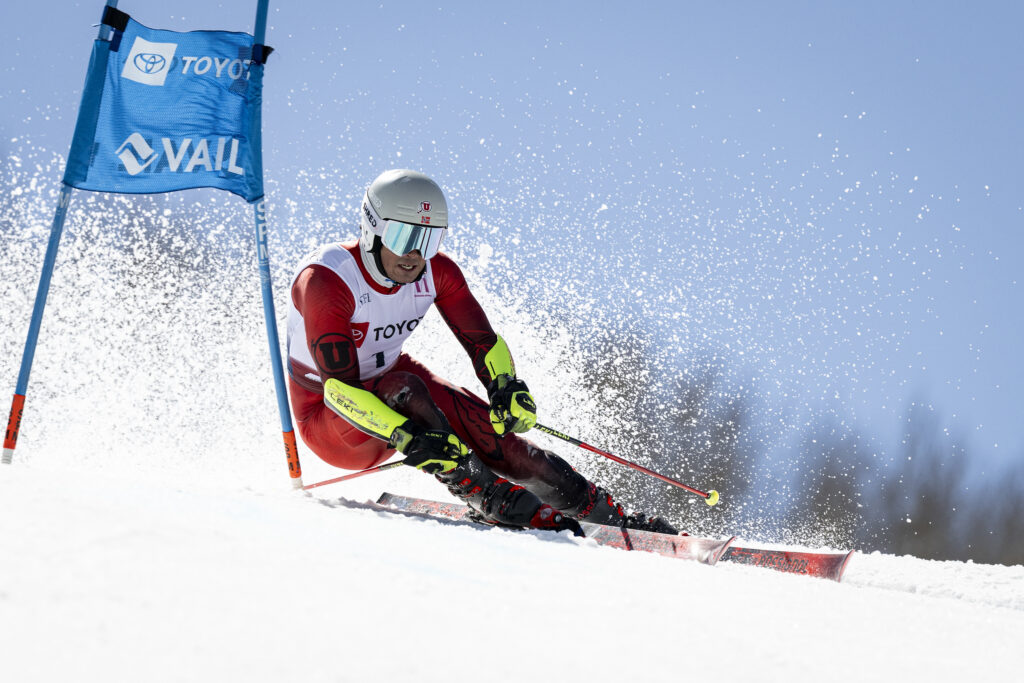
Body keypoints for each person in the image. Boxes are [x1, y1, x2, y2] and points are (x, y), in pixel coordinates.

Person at [286, 169, 678, 535]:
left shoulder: (437, 272)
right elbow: (338, 391)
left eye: (429, 240)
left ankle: (612, 519)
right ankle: (487, 495)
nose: (414, 255)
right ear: (373, 228)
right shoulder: (327, 280)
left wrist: (506, 387)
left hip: (396, 388)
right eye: (404, 238)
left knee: (506, 442)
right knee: (405, 386)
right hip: (332, 419)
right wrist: (406, 434)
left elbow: (483, 342)